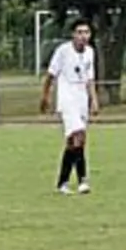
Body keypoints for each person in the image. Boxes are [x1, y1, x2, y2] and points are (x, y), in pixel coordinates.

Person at [39, 19, 101, 195]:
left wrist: (94, 100)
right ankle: (82, 180)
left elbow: (90, 79)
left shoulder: (90, 52)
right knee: (78, 136)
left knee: (74, 142)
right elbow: (50, 75)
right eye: (80, 32)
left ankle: (63, 182)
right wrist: (45, 96)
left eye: (86, 32)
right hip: (67, 98)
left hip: (81, 98)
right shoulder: (63, 51)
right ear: (73, 34)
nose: (83, 36)